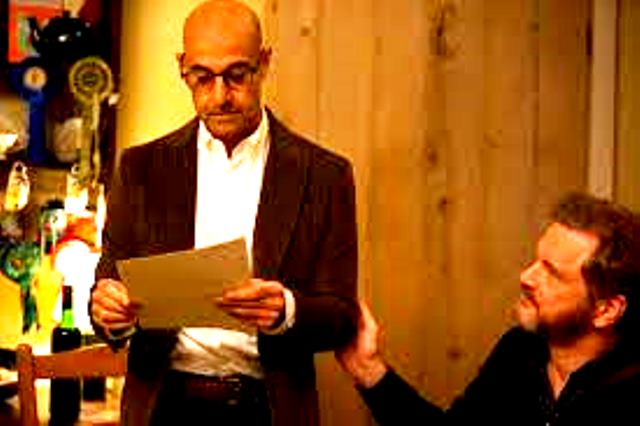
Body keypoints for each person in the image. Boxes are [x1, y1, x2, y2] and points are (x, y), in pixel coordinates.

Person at [88, 1, 358, 425]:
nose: (220, 96)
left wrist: (286, 310)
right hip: (162, 405)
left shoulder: (324, 175)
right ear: (182, 68)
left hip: (268, 408)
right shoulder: (141, 168)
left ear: (263, 64)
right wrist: (109, 312)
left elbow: (342, 317)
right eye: (202, 77)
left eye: (236, 75)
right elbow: (107, 290)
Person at [336, 192, 640, 426]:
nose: (526, 277)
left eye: (552, 273)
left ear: (606, 310)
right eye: (536, 261)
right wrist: (368, 367)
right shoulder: (519, 350)